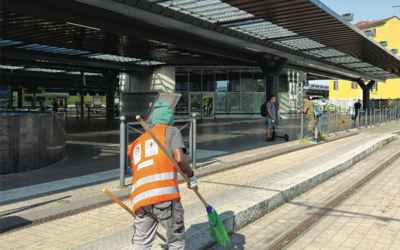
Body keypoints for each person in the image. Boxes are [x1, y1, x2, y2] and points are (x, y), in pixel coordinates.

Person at [127, 102, 197, 250]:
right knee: (176, 243)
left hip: (140, 201)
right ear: (169, 119)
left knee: (140, 244)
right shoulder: (170, 131)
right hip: (165, 198)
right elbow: (180, 159)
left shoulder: (138, 142)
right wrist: (191, 177)